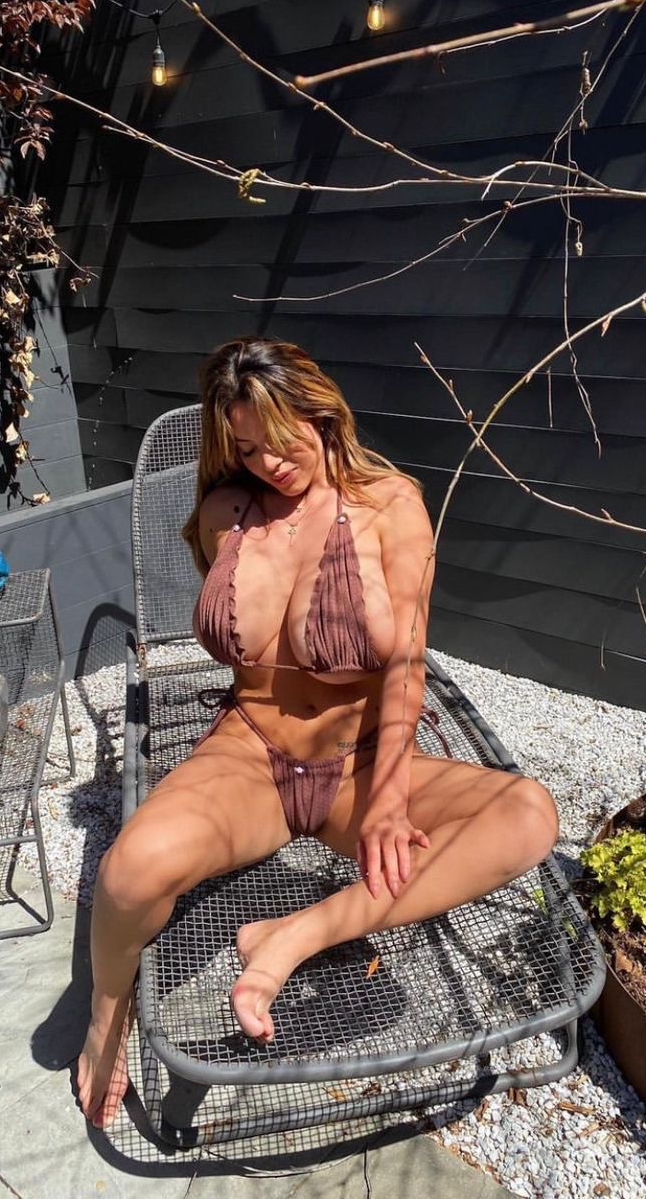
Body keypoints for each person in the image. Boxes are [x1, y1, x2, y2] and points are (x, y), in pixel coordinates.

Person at [76, 337, 559, 1127]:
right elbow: (253, 652)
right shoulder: (225, 516)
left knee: (529, 814)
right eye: (246, 448)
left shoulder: (391, 506)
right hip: (250, 757)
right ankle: (107, 1017)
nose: (268, 463)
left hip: (359, 763)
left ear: (320, 412)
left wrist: (389, 801)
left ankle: (293, 937)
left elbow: (406, 664)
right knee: (128, 874)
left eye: (279, 437)